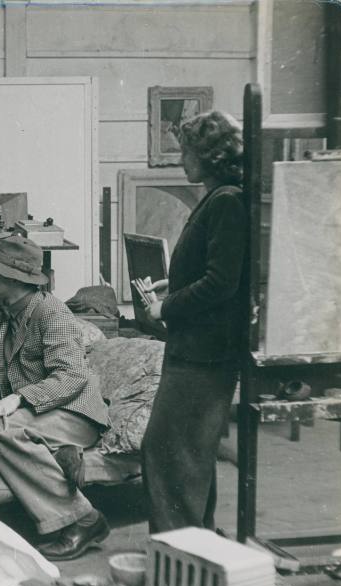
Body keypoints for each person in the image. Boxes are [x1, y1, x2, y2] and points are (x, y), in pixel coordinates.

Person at [0, 236, 112, 561]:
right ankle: (55, 453)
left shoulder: (50, 313)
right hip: (44, 411)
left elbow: (72, 376)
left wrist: (17, 400)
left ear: (15, 280)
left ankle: (83, 519)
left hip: (74, 412)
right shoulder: (11, 311)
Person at [138, 110, 248, 533]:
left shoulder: (226, 201)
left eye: (186, 151)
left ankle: (181, 555)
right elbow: (213, 271)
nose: (181, 159)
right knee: (187, 454)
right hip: (197, 349)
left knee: (169, 452)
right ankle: (197, 546)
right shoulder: (220, 196)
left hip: (204, 354)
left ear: (210, 156)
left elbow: (222, 283)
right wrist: (176, 282)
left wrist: (164, 308)